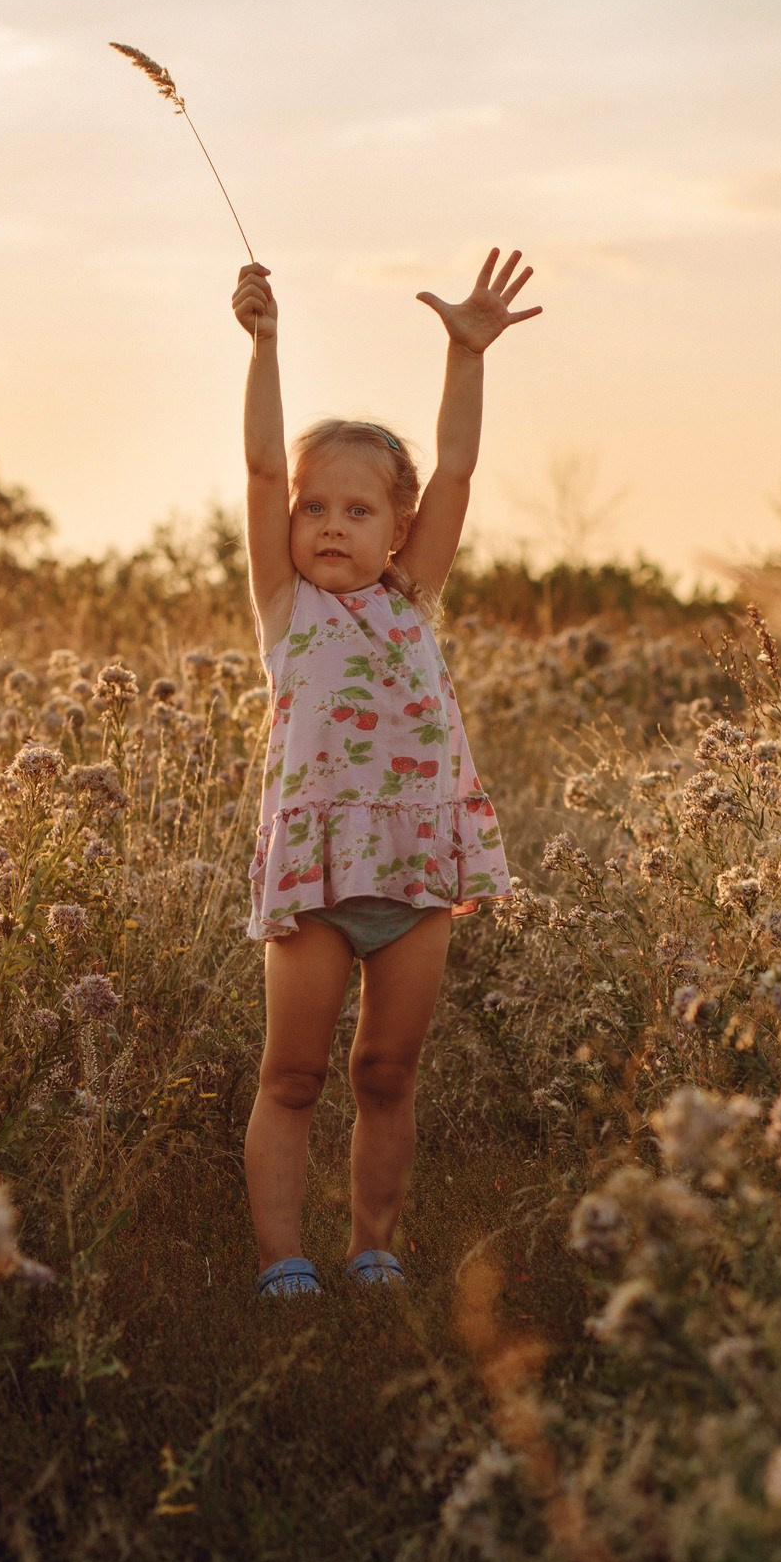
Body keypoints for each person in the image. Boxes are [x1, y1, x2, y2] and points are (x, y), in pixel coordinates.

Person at [231, 248, 539, 1298]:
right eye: (316, 509)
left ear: (396, 531)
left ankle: (373, 1251)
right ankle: (284, 1263)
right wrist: (266, 345)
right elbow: (265, 468)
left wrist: (466, 356)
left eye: (356, 512)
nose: (326, 525)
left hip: (414, 872)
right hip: (317, 881)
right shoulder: (287, 608)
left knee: (385, 1074)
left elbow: (453, 470)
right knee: (294, 1075)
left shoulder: (413, 600)